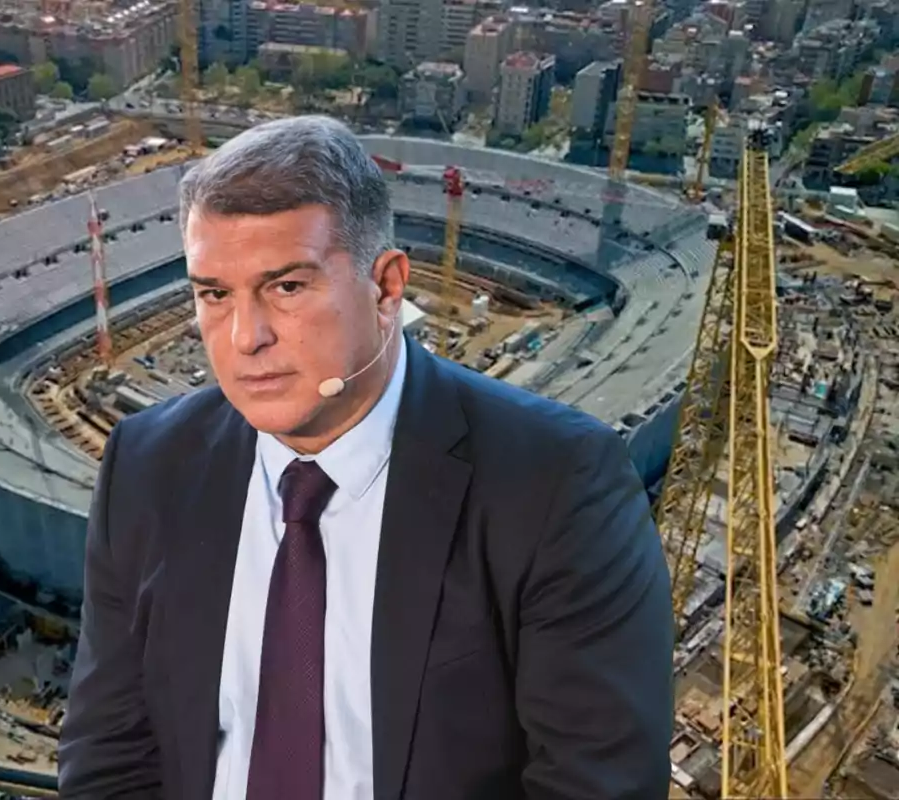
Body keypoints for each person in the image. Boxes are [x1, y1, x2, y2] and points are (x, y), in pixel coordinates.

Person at [58, 115, 675, 800]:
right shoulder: (146, 464)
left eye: (287, 287)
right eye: (214, 294)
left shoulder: (558, 485)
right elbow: (108, 754)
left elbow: (597, 785)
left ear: (387, 288)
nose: (245, 337)